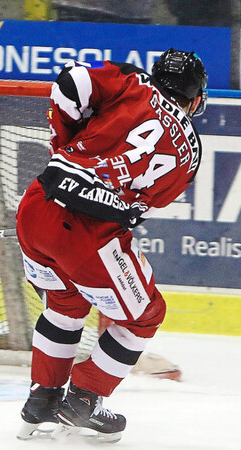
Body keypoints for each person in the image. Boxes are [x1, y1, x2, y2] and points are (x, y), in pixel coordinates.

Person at [15, 49, 207, 443]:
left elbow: (71, 82)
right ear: (196, 98)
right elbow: (141, 205)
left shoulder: (132, 82)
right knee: (145, 315)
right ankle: (85, 399)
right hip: (89, 231)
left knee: (65, 304)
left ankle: (43, 398)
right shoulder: (191, 150)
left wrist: (66, 146)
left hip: (37, 204)